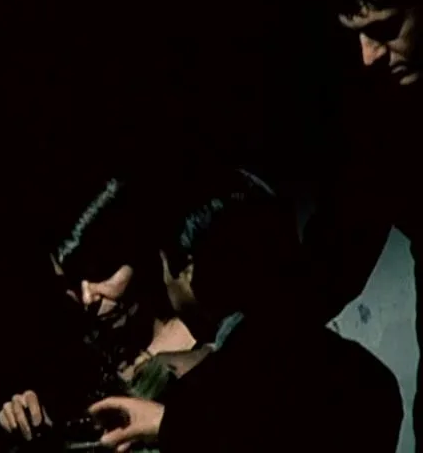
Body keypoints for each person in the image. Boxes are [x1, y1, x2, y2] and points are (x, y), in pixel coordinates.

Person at [87, 169, 404, 452]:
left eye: (166, 268)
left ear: (188, 268)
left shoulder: (206, 401)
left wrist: (172, 427)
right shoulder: (368, 378)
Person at [0, 177, 212, 447]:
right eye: (71, 283)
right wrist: (30, 418)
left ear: (140, 257)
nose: (87, 298)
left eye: (100, 273)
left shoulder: (215, 351)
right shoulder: (76, 355)